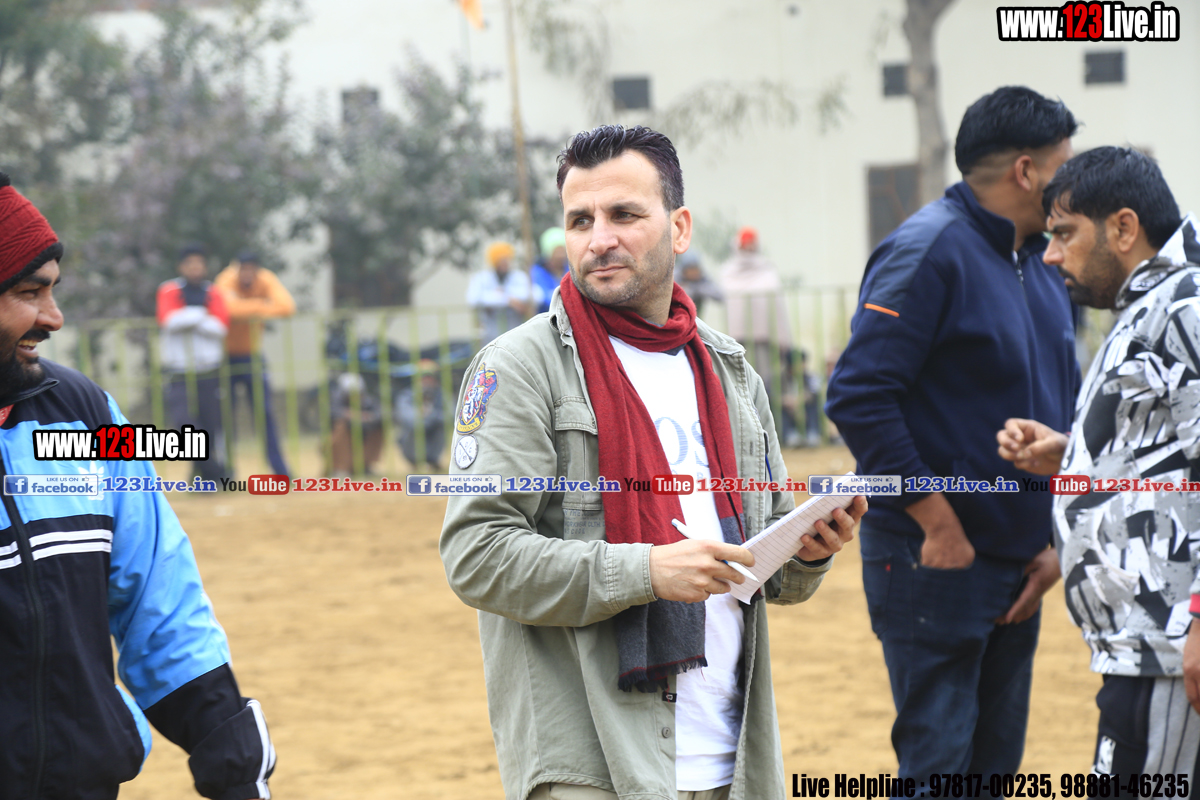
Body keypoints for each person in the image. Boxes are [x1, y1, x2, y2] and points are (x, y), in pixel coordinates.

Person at [440, 124, 867, 800]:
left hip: (733, 757)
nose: (598, 239)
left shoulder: (730, 370)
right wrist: (645, 571)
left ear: (679, 228)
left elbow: (772, 578)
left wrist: (809, 550)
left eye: (624, 214)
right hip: (594, 762)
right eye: (580, 220)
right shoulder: (519, 369)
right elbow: (477, 555)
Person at [824, 85, 1080, 783]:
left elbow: (1066, 409)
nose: (1076, 184)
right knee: (938, 771)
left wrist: (1053, 541)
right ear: (1026, 171)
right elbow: (858, 395)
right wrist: (937, 522)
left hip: (1020, 566)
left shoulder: (1043, 262)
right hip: (933, 559)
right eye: (1065, 166)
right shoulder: (928, 251)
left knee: (993, 771)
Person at [0, 173, 274, 799]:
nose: (53, 317)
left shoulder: (89, 413)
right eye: (27, 292)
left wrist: (226, 746)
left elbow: (157, 595)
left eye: (53, 290)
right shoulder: (171, 294)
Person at [998, 147, 1200, 780]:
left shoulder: (1184, 307)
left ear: (1123, 227)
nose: (1051, 254)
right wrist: (1075, 454)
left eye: (1064, 233)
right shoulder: (1154, 302)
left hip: (1170, 646)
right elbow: (1172, 452)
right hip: (1146, 647)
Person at [214, 251, 295, 478]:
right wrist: (262, 305)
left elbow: (287, 307)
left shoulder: (266, 278)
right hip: (225, 357)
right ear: (236, 268)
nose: (247, 273)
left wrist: (245, 306)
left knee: (264, 413)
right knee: (225, 417)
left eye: (252, 268)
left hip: (252, 355)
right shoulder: (225, 279)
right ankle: (226, 471)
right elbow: (227, 310)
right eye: (243, 268)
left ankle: (280, 471)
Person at [156, 244, 229, 484]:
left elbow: (220, 328)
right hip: (178, 368)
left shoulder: (213, 291)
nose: (195, 268)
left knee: (211, 424)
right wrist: (202, 314)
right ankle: (215, 470)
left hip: (209, 368)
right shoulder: (169, 289)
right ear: (181, 267)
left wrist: (187, 315)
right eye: (190, 264)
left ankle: (203, 476)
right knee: (184, 423)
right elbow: (168, 321)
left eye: (199, 264)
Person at [718, 227, 798, 445]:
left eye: (752, 245)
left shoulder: (767, 270)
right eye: (745, 245)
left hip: (764, 340)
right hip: (738, 341)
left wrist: (781, 338)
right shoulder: (729, 271)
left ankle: (774, 433)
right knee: (741, 385)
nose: (748, 249)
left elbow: (776, 305)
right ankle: (746, 436)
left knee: (765, 384)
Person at [466, 241, 540, 344]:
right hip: (491, 335)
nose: (504, 263)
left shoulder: (519, 277)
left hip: (515, 333)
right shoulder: (482, 278)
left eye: (506, 259)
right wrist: (508, 300)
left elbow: (537, 295)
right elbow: (473, 299)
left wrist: (505, 294)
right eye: (500, 260)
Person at [394, 359, 445, 470]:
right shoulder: (406, 395)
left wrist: (430, 414)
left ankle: (433, 461)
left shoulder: (441, 395)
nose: (427, 380)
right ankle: (415, 461)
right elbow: (410, 420)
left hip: (434, 437)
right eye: (423, 377)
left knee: (440, 426)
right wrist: (426, 416)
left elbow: (452, 417)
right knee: (415, 428)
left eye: (430, 377)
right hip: (411, 439)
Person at [530, 227, 568, 314]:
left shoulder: (570, 270)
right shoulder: (537, 272)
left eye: (562, 251)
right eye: (556, 252)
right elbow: (543, 298)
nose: (560, 256)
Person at [674, 250, 723, 317]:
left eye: (695, 269)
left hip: (696, 318)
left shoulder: (701, 278)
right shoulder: (676, 277)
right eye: (690, 269)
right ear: (684, 270)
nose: (693, 273)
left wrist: (696, 289)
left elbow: (719, 295)